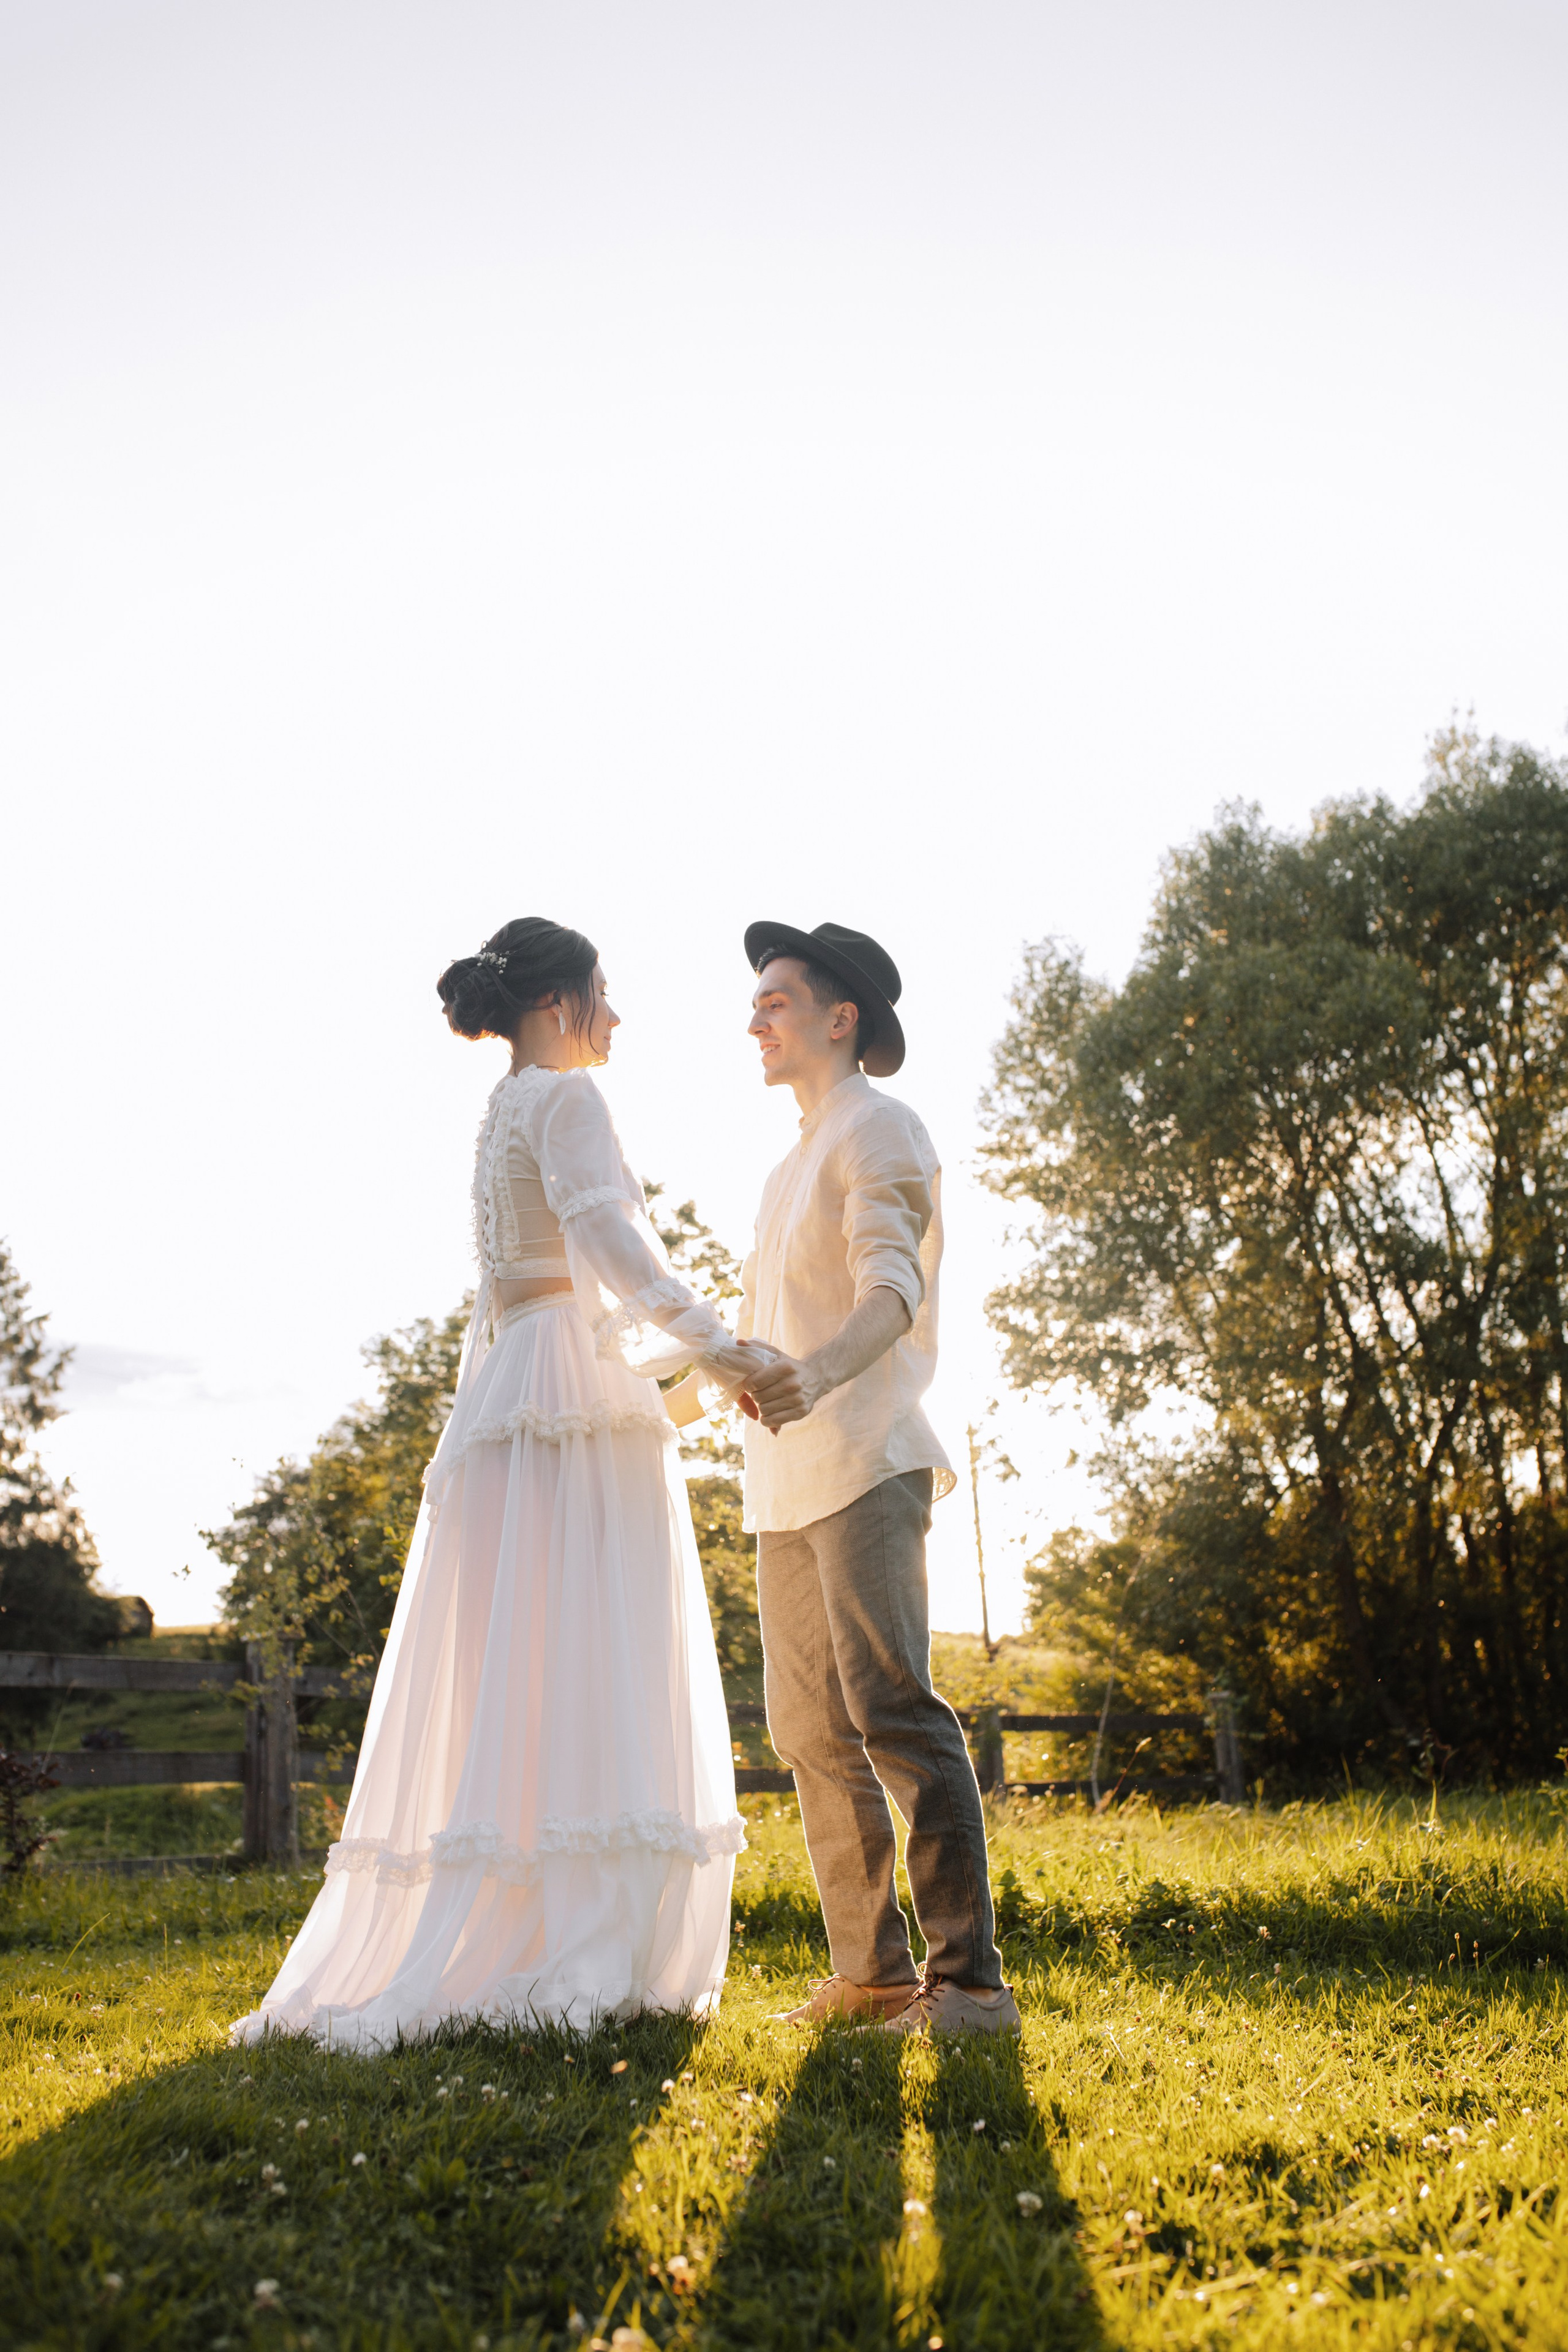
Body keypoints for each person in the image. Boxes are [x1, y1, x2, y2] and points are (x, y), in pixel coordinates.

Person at [233, 918, 757, 2047]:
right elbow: (610, 1242)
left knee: (523, 1654)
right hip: (566, 1385)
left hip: (516, 1385)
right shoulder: (568, 1100)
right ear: (560, 1004)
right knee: (598, 1644)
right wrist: (716, 1345)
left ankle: (525, 1913)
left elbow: (510, 1289)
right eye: (605, 997)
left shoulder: (500, 1111)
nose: (616, 1020)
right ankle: (581, 1936)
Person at [721, 921, 1018, 2037]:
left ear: (839, 1020)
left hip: (866, 1459)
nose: (755, 1018)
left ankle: (970, 1987)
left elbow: (889, 1294)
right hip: (783, 1486)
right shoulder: (782, 1168)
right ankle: (876, 1977)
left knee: (893, 1710)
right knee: (806, 1729)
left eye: (775, 1000)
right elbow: (756, 1339)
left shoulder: (880, 1130)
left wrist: (816, 1375)